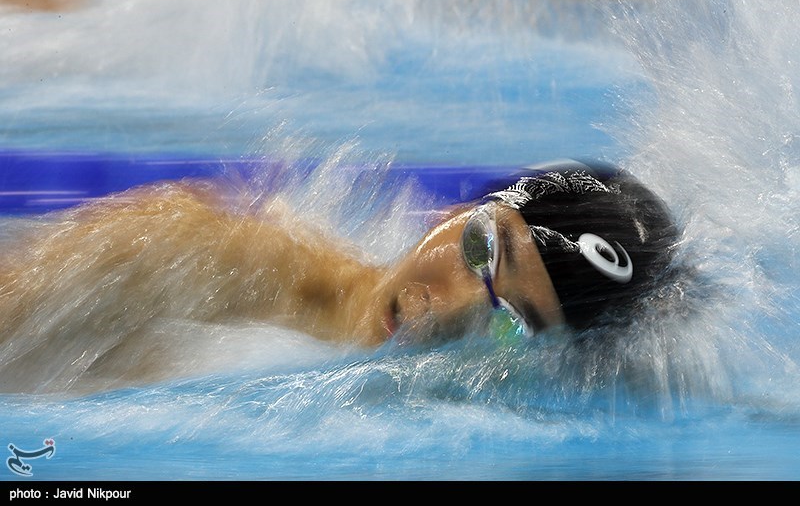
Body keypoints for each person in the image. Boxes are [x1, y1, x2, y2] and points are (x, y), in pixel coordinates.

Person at [0, 159, 678, 393]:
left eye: (515, 321)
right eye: (480, 250)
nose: (452, 310)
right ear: (457, 209)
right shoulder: (200, 257)